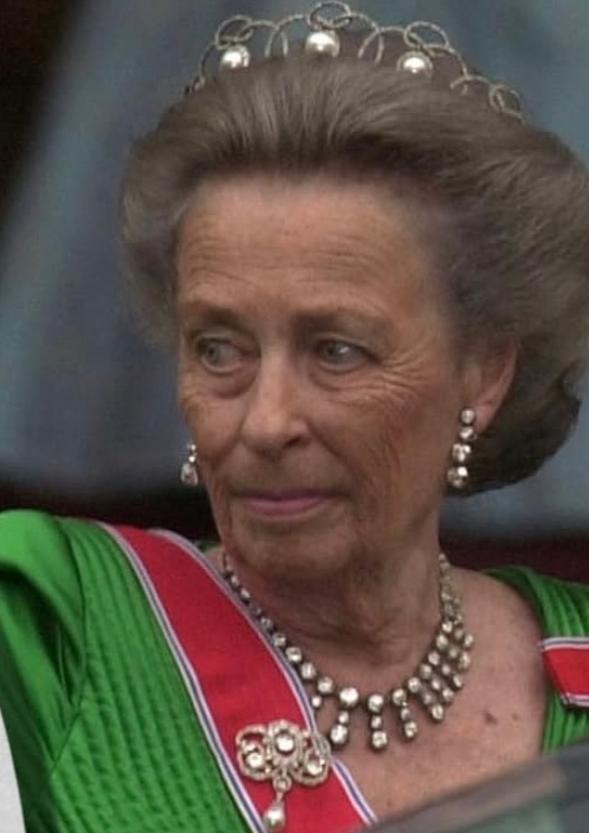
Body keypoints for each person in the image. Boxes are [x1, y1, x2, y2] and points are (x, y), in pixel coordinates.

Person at [1, 3, 589, 832]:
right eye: (219, 349)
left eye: (336, 351)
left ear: (483, 372)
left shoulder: (576, 658)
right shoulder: (43, 623)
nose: (265, 421)